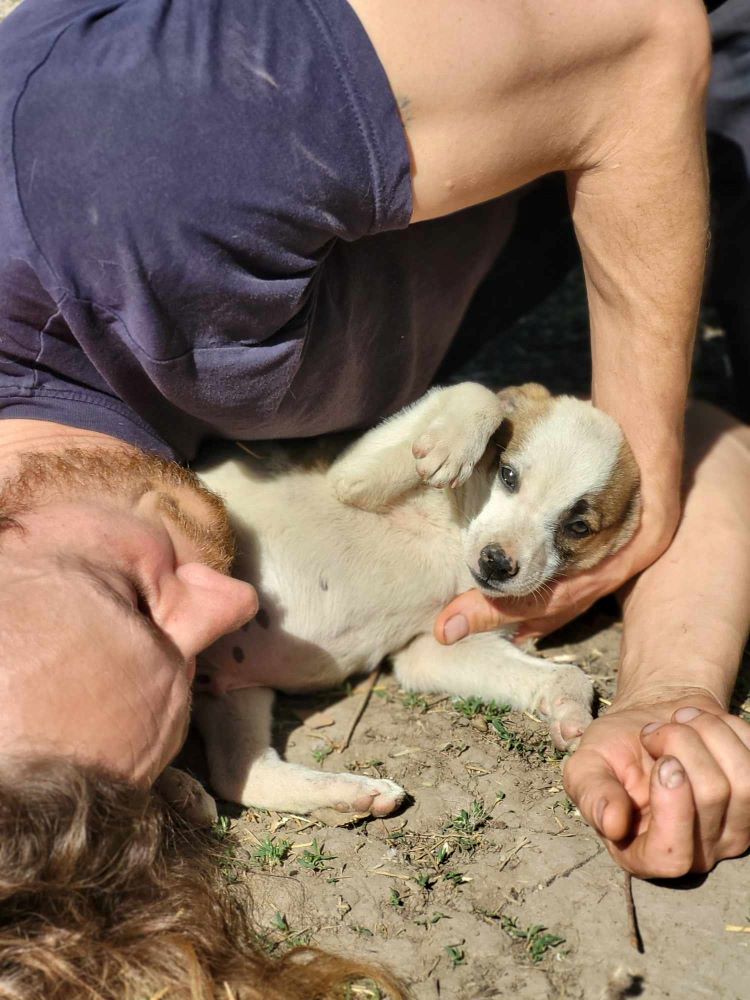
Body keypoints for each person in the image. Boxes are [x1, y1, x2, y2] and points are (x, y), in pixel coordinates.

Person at [0, 0, 747, 992]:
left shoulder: (129, 176)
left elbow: (646, 41)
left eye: (134, 596)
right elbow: (716, 433)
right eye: (195, 667)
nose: (228, 603)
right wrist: (665, 696)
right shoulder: (130, 469)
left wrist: (632, 480)